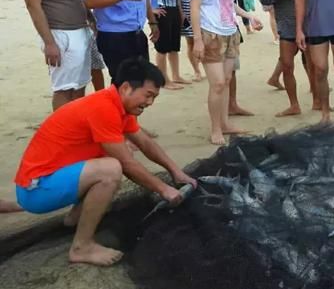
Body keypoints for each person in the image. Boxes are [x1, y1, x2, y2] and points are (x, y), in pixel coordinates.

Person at [13, 57, 197, 266]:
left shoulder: (119, 106)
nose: (150, 103)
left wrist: (175, 171)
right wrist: (163, 189)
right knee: (111, 168)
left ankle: (75, 218)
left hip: (47, 181)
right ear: (126, 87)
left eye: (154, 97)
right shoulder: (103, 108)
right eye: (148, 95)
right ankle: (81, 247)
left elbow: (145, 142)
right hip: (36, 190)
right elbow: (127, 164)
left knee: (111, 158)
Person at [188, 0, 263, 145]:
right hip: (210, 34)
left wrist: (249, 16)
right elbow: (195, 7)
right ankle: (215, 130)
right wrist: (198, 40)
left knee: (227, 80)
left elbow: (228, 3)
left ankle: (225, 123)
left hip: (230, 32)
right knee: (218, 83)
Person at [260, 0, 316, 116]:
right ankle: (294, 105)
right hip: (287, 26)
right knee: (287, 65)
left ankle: (318, 100)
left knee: (314, 66)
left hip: (311, 26)